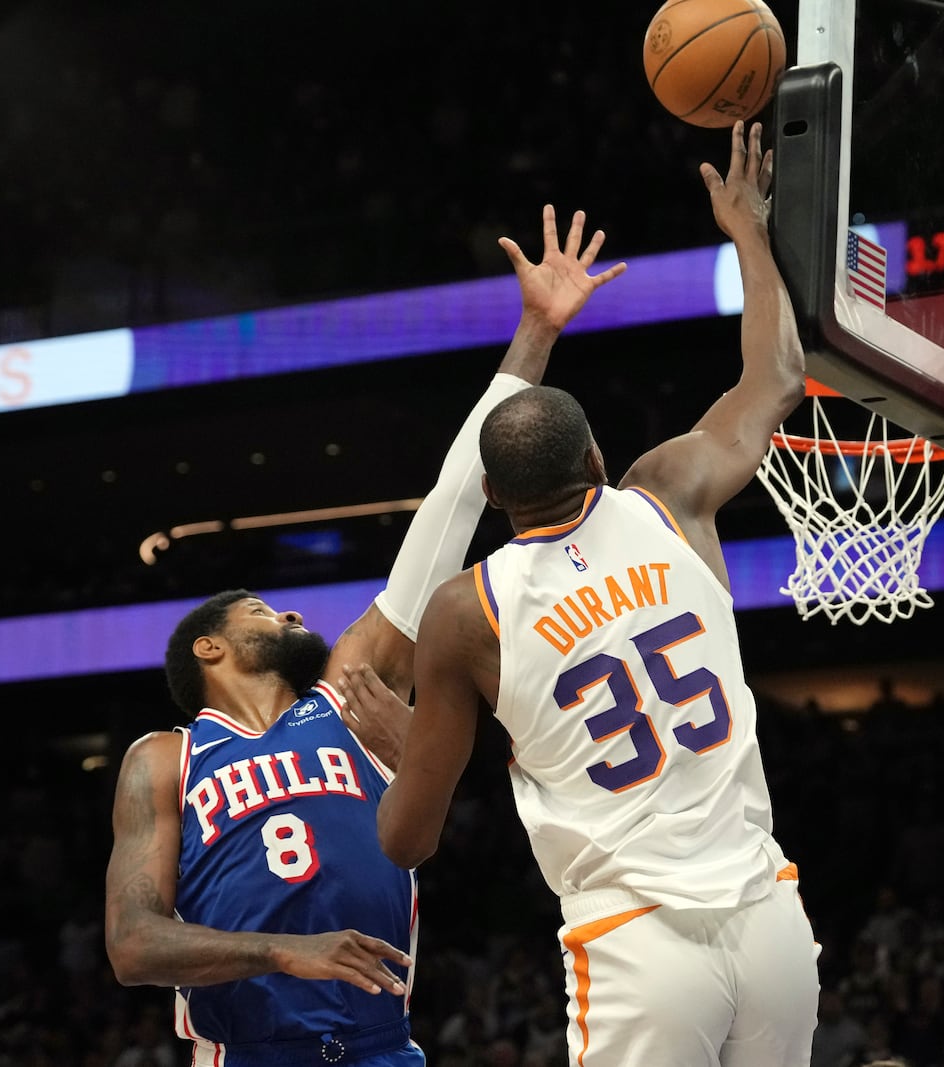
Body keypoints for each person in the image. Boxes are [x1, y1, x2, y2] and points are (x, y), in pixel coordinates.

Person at [102, 203, 626, 1067]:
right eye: (265, 611)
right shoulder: (164, 758)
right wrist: (278, 950)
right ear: (208, 646)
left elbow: (451, 512)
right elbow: (132, 945)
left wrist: (533, 335)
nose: (295, 615)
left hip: (384, 1045)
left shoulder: (347, 695)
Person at [358, 120, 819, 1066]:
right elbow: (775, 376)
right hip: (772, 916)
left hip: (639, 940)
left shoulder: (465, 611)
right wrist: (748, 232)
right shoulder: (668, 494)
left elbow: (407, 841)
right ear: (599, 458)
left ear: (495, 499)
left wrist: (401, 752)